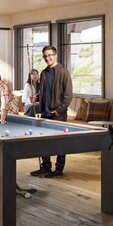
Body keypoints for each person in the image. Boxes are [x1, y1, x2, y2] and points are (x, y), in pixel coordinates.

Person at [30, 46, 73, 178]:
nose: (47, 58)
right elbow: (44, 92)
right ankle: (46, 167)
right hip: (45, 112)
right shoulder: (43, 73)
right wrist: (36, 97)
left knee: (60, 142)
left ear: (55, 55)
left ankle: (59, 169)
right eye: (45, 56)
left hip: (58, 114)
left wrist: (58, 110)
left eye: (50, 55)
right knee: (43, 141)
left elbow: (68, 96)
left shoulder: (63, 72)